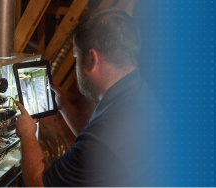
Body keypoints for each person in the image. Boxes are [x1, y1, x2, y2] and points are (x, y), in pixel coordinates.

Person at [15, 8, 163, 186]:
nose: (77, 65)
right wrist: (65, 107)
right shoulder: (137, 93)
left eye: (76, 57)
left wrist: (27, 134)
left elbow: (38, 185)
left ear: (92, 59)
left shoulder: (104, 139)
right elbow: (95, 139)